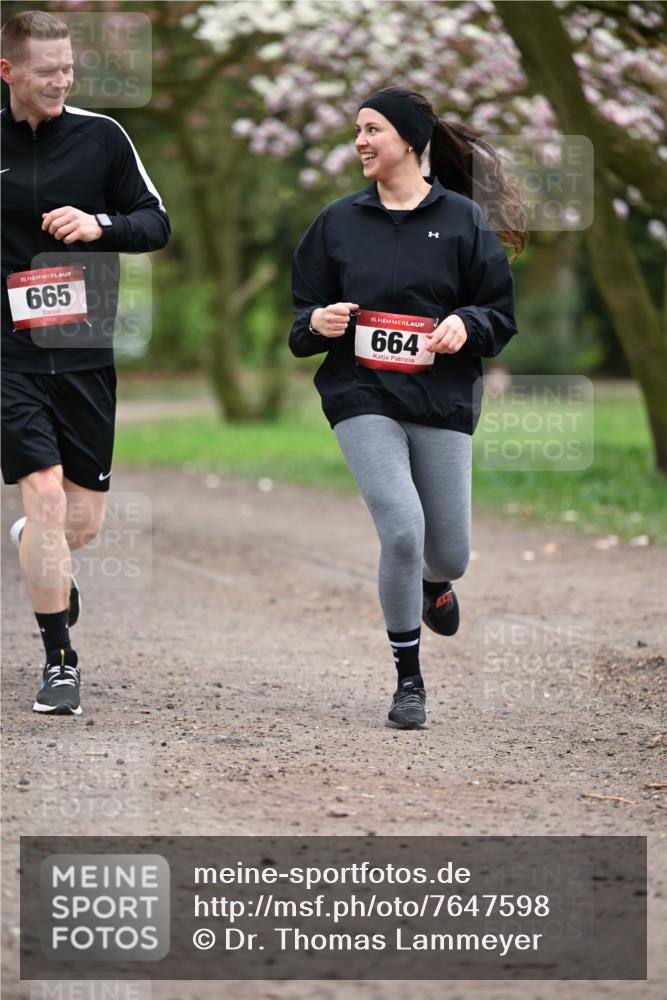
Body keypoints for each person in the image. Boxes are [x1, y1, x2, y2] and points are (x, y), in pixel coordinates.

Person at [290, 86, 526, 730]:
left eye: (372, 130)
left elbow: (499, 315)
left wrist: (465, 325)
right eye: (357, 131)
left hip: (440, 397)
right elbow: (299, 325)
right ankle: (409, 680)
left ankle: (434, 585)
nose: (360, 142)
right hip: (361, 394)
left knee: (448, 553)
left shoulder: (462, 221)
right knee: (401, 527)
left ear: (411, 142)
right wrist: (321, 320)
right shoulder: (336, 222)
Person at [1, 11, 170, 715]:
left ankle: (38, 545)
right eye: (47, 72)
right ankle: (59, 660)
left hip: (81, 350)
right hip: (7, 351)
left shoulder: (103, 137)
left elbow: (155, 223)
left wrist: (100, 225)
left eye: (68, 69)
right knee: (42, 493)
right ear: (8, 71)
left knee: (78, 524)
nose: (61, 81)